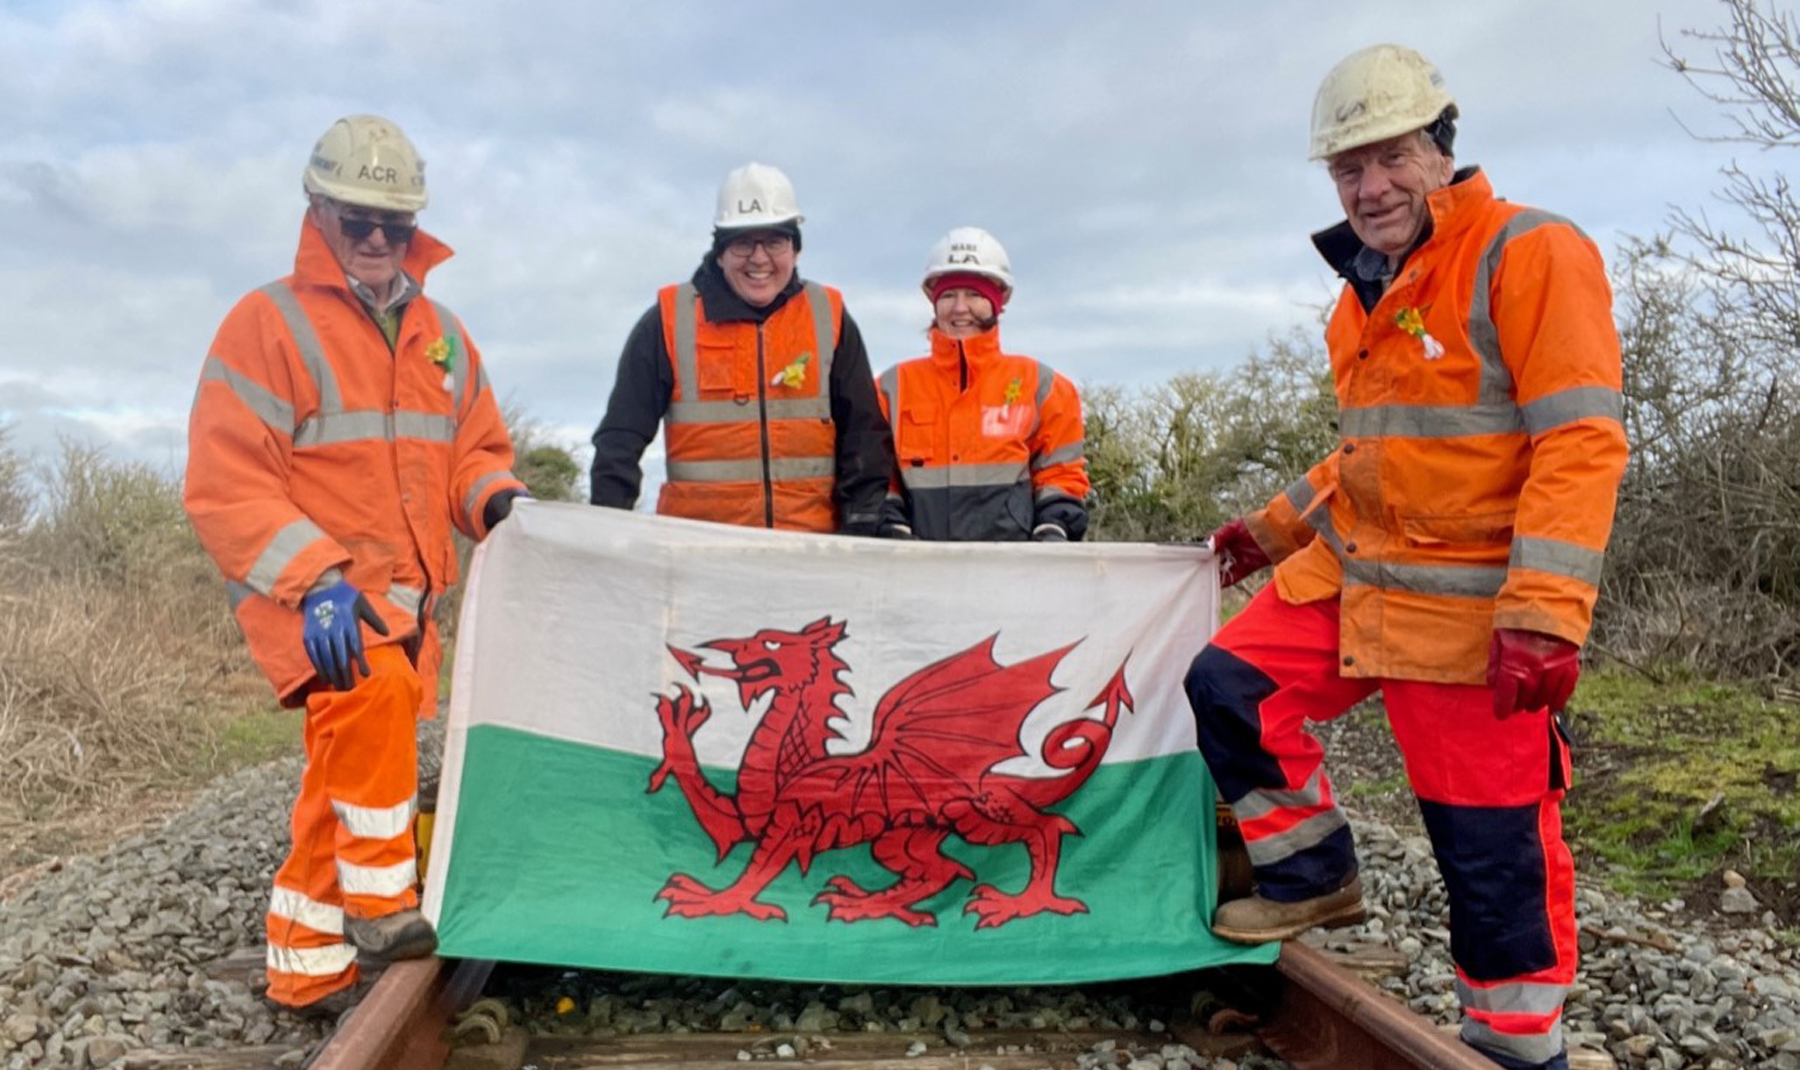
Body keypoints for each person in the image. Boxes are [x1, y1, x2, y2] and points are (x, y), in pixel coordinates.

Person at [1184, 45, 1627, 1070]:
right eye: (1348, 169)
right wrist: (1269, 529)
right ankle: (1312, 869)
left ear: (1441, 148)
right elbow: (1367, 458)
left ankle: (1517, 1047)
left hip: (1478, 614)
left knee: (1489, 850)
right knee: (1228, 681)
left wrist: (1545, 613)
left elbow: (1579, 439)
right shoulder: (1364, 292)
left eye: (1390, 158)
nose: (1370, 186)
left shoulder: (1531, 251)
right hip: (1359, 578)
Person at [183, 115, 527, 1015]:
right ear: (317, 211)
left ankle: (303, 971)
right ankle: (381, 905)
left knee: (341, 776)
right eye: (357, 221)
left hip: (411, 601)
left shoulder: (441, 334)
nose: (377, 240)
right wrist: (318, 579)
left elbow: (471, 450)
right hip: (316, 600)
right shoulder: (268, 324)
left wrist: (494, 499)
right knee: (368, 715)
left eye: (396, 225)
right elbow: (226, 483)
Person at [589, 162, 893, 533]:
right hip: (696, 554)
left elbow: (863, 433)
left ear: (795, 251)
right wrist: (606, 530)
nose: (759, 258)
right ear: (720, 252)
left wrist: (860, 523)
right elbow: (620, 438)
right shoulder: (669, 320)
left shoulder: (827, 315)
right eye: (743, 242)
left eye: (775, 242)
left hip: (811, 552)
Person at [874, 227, 1088, 541]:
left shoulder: (1045, 388)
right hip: (917, 573)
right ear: (934, 302)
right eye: (948, 295)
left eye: (974, 294)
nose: (960, 308)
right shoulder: (889, 389)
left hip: (1014, 575)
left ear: (997, 301)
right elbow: (876, 479)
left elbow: (1061, 476)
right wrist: (891, 528)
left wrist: (1053, 530)